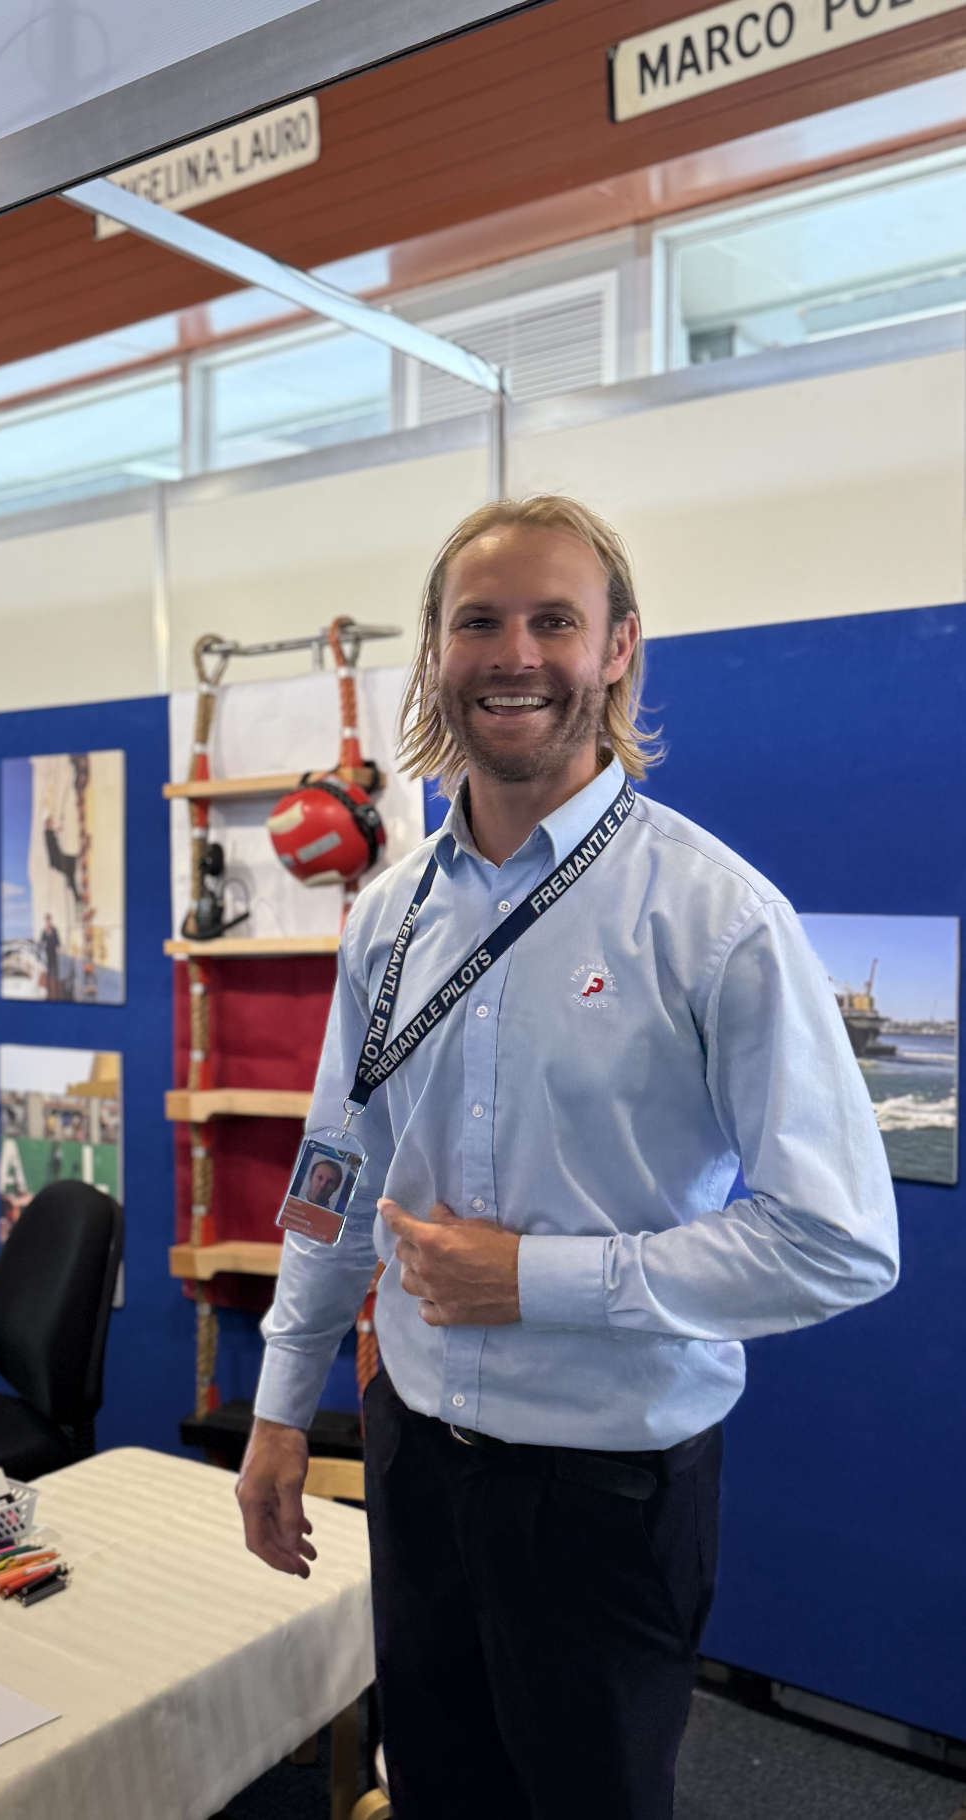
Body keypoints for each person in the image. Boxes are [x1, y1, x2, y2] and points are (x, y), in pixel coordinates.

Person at [236, 495, 898, 1820]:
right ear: (435, 651)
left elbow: (840, 1241)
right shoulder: (390, 911)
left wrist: (537, 1280)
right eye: (479, 620)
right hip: (415, 1452)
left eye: (554, 619)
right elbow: (337, 1172)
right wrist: (275, 1405)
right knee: (431, 1791)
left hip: (606, 1492)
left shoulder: (713, 917)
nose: (515, 652)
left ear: (617, 650)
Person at [39, 912, 62, 999]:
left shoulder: (54, 930)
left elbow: (58, 942)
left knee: (55, 974)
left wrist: (59, 948)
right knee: (47, 976)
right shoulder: (43, 932)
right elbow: (41, 944)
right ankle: (48, 995)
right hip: (46, 957)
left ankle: (55, 995)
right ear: (45, 922)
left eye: (49, 921)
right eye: (47, 921)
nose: (48, 922)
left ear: (50, 921)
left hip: (54, 955)